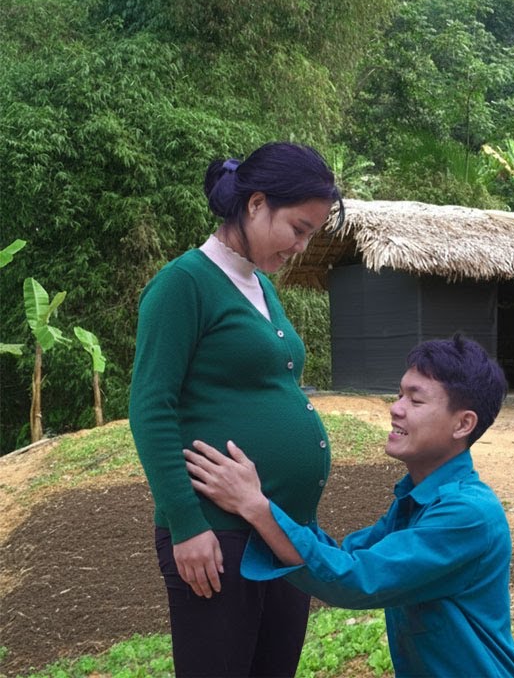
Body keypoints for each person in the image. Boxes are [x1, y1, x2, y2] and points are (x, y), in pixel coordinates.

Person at [184, 336, 514, 678]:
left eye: (416, 400)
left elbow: (355, 578)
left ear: (463, 424)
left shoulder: (467, 515)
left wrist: (256, 507)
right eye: (399, 395)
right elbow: (343, 553)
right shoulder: (419, 499)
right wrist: (273, 500)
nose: (395, 408)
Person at [129, 142, 344, 677]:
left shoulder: (260, 286)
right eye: (298, 228)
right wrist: (186, 525)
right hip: (218, 533)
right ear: (255, 205)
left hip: (282, 528)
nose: (300, 245)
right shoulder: (183, 285)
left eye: (311, 234)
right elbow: (151, 407)